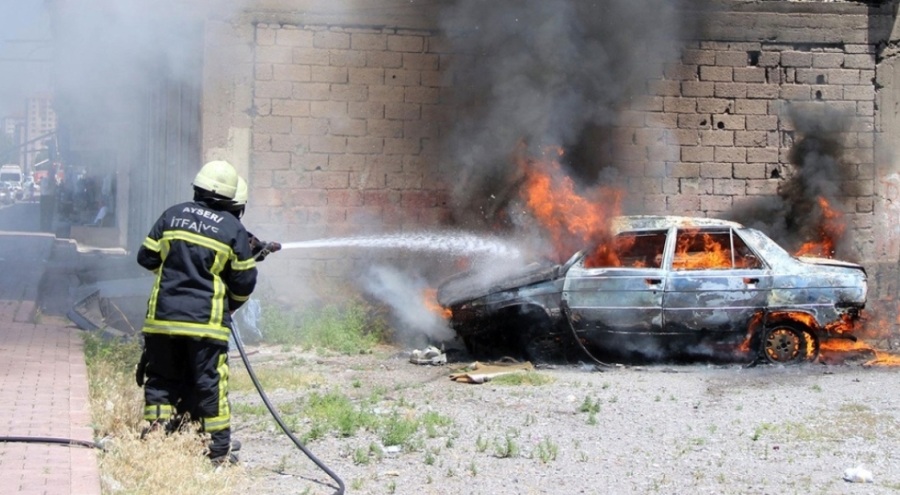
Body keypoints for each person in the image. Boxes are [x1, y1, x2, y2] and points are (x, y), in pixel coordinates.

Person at [136, 160, 257, 465]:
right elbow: (244, 283)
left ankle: (156, 437)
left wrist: (177, 264)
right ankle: (217, 451)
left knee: (161, 379)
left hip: (162, 321)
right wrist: (228, 302)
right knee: (209, 384)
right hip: (205, 325)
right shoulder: (232, 228)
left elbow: (147, 258)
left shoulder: (172, 214)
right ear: (230, 198)